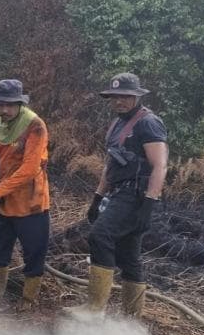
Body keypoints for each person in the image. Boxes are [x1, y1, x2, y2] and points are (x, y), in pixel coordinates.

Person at [66, 72, 168, 320]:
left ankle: (94, 309)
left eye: (125, 97)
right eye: (114, 97)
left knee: (100, 236)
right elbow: (111, 165)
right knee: (128, 253)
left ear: (136, 97)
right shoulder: (117, 125)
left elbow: (160, 165)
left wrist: (148, 204)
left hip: (136, 195)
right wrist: (97, 197)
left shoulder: (148, 123)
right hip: (118, 191)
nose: (119, 101)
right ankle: (131, 317)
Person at [0, 79, 51, 308]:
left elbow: (30, 169)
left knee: (34, 253)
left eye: (10, 105)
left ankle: (28, 300)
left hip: (31, 203)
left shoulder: (35, 126)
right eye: (0, 104)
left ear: (19, 103)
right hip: (2, 203)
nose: (5, 110)